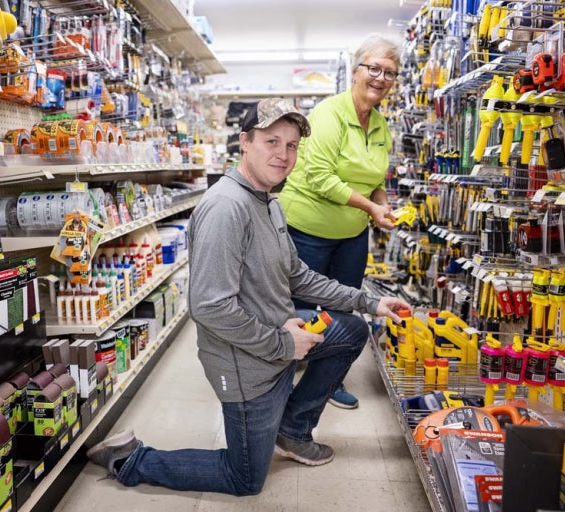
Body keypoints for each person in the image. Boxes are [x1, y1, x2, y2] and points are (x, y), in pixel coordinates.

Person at [85, 97, 409, 496]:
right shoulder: (226, 208)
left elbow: (298, 276)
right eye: (272, 141)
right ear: (245, 142)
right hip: (245, 367)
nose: (284, 154)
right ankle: (130, 458)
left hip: (273, 346)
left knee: (352, 331)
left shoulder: (269, 201)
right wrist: (283, 342)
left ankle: (291, 429)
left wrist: (369, 302)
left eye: (291, 145)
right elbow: (208, 307)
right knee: (245, 478)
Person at [278, 34, 402, 410]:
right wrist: (370, 207)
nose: (380, 78)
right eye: (373, 68)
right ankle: (281, 389)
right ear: (355, 71)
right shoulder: (328, 114)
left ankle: (328, 382)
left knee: (342, 314)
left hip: (351, 235)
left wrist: (382, 206)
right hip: (306, 230)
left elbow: (376, 177)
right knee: (302, 313)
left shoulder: (381, 126)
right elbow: (320, 176)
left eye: (390, 73)